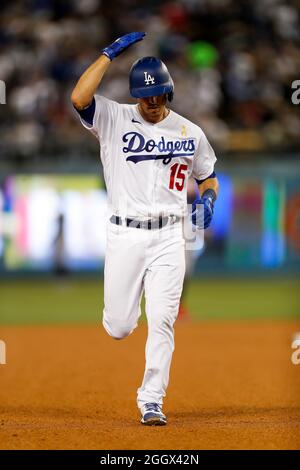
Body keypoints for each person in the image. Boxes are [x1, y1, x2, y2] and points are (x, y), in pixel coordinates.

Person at [71, 32, 219, 426]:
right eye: (144, 96)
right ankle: (124, 317)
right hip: (125, 234)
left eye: (157, 96)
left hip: (171, 234)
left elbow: (208, 176)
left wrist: (208, 199)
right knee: (119, 327)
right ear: (135, 95)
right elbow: (79, 99)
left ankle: (151, 399)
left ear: (168, 93)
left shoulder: (190, 132)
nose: (150, 103)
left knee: (163, 319)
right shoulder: (114, 117)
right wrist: (107, 55)